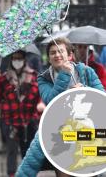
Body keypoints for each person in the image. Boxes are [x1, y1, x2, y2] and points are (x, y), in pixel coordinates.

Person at [16, 37, 105, 177]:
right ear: (49, 58)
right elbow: (50, 101)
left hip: (87, 128)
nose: (57, 55)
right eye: (52, 53)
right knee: (62, 167)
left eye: (60, 51)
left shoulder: (86, 71)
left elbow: (101, 97)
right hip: (59, 130)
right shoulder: (44, 78)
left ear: (69, 54)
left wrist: (84, 90)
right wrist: (64, 74)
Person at [0, 50, 42, 177]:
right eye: (14, 58)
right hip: (10, 120)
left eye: (19, 58)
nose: (17, 61)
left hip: (28, 120)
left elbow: (39, 93)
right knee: (11, 151)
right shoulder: (4, 77)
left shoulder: (33, 75)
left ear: (24, 60)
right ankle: (11, 174)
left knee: (28, 152)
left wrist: (40, 103)